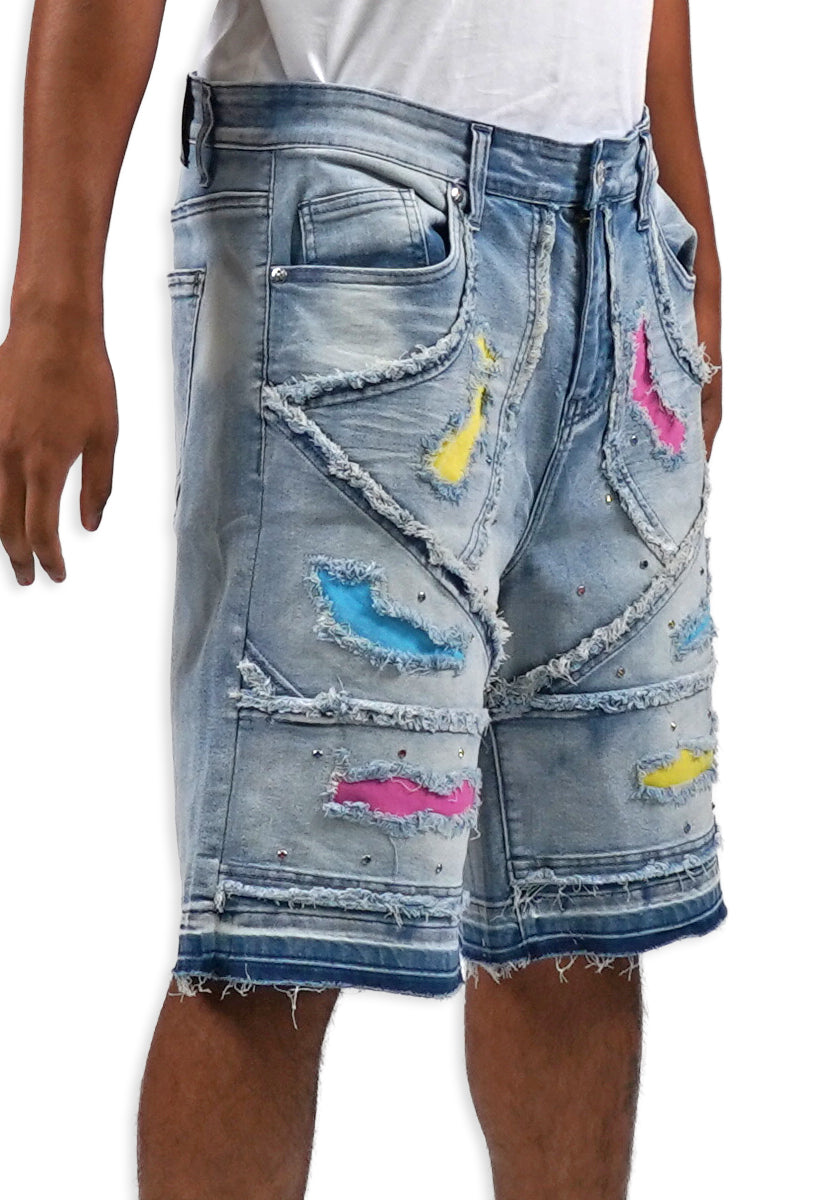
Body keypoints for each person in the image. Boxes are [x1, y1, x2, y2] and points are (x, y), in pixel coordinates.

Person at [0, 1, 726, 1197]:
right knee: (276, 932)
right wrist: (52, 301)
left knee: (580, 922)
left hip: (617, 230)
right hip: (357, 217)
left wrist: (687, 222)